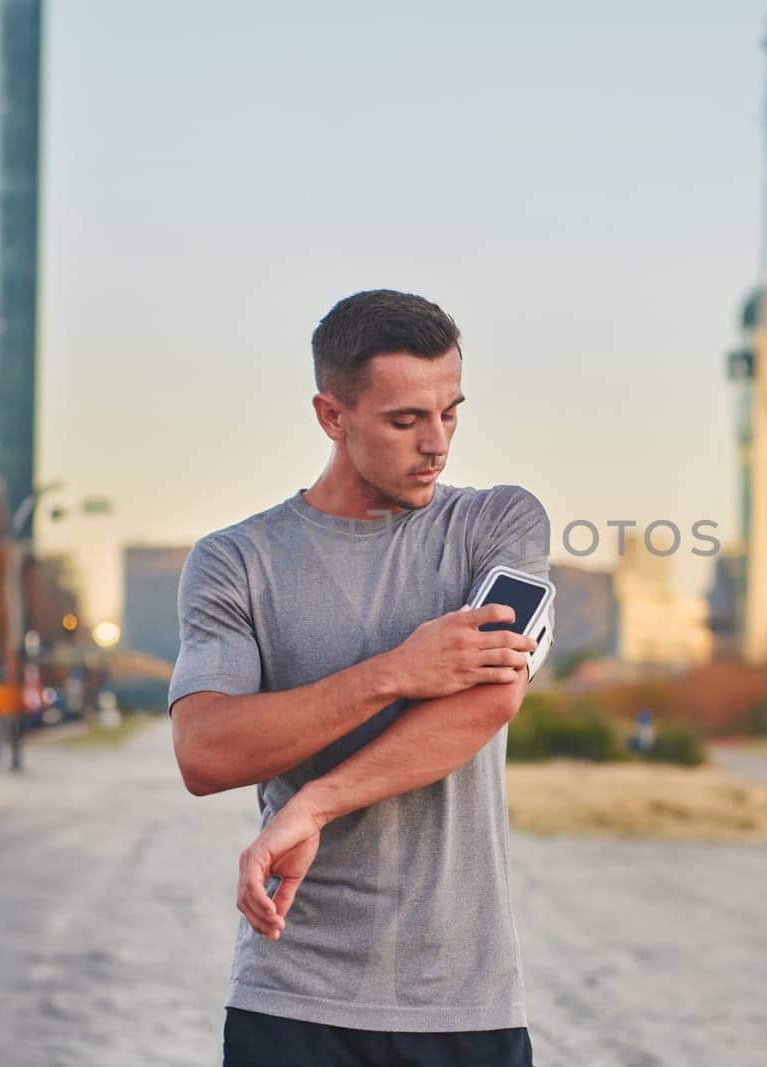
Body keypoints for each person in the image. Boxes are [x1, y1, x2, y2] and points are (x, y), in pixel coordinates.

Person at [169, 290, 548, 1066]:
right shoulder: (236, 562)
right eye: (405, 419)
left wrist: (312, 802)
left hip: (462, 1001)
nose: (437, 443)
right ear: (331, 416)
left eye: (450, 412)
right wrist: (394, 673)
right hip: (292, 993)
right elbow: (205, 752)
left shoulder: (497, 525)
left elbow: (491, 697)